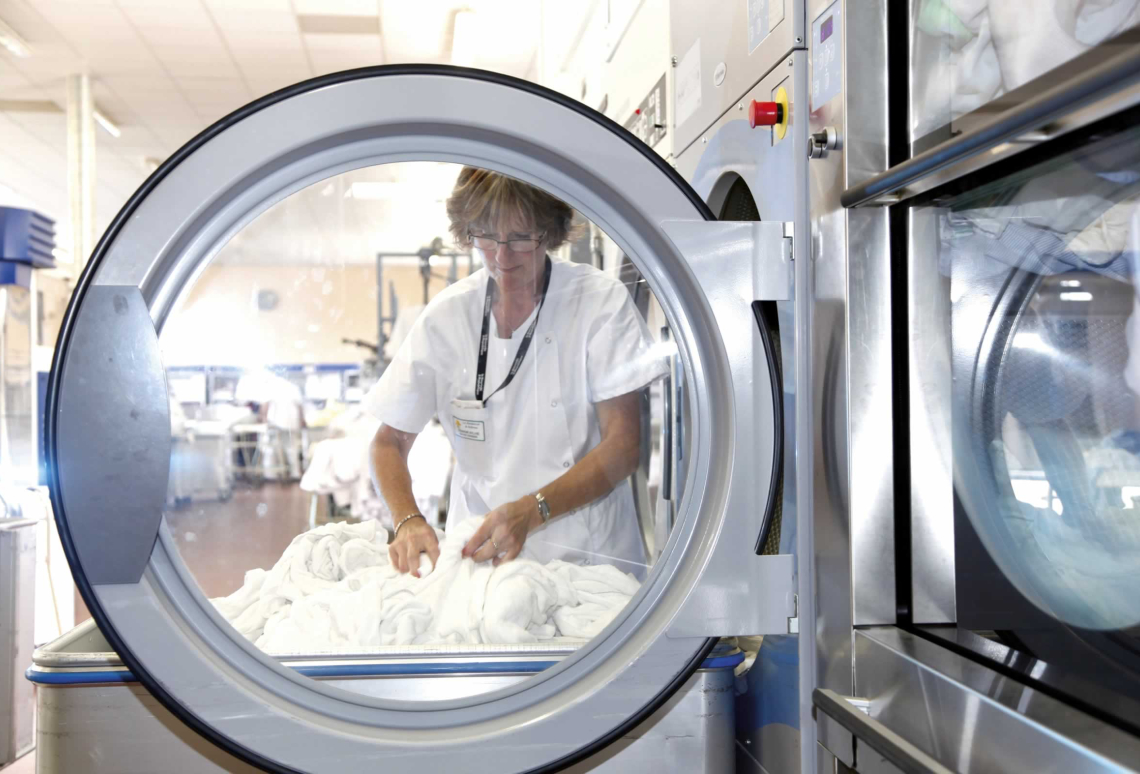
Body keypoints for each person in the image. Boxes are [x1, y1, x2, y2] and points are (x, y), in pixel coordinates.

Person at [366, 167, 666, 578]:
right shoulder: (447, 317)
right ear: (466, 232)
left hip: (589, 564)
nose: (502, 257)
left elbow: (624, 445)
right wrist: (408, 520)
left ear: (550, 231)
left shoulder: (599, 302)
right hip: (480, 559)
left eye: (521, 238)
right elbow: (389, 442)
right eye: (486, 237)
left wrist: (534, 509)